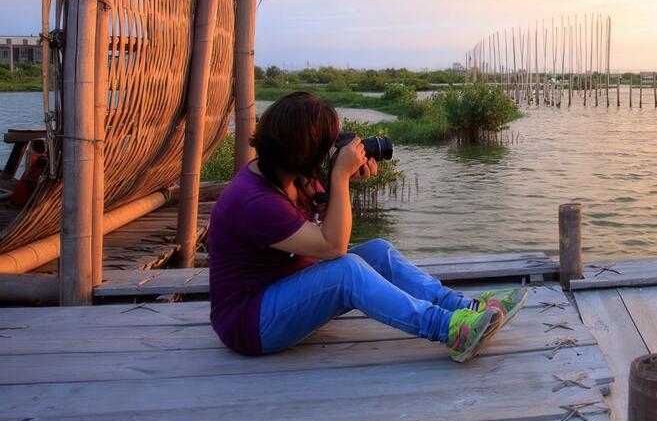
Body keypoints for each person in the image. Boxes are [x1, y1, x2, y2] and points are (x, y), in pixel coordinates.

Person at [208, 91, 527, 360]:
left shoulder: (293, 174)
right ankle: (450, 329)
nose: (330, 148)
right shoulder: (255, 201)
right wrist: (339, 176)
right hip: (249, 323)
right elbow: (333, 247)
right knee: (346, 269)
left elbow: (330, 224)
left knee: (377, 251)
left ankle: (464, 306)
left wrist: (345, 182)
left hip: (286, 294)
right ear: (304, 148)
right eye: (326, 142)